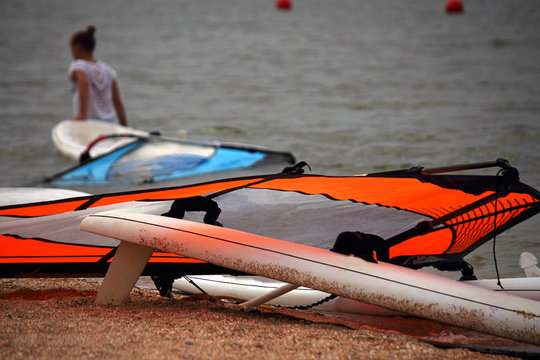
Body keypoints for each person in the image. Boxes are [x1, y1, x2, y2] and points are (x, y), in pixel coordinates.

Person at [69, 25, 127, 126]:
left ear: (77, 48)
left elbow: (84, 82)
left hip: (90, 124)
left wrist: (82, 116)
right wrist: (125, 126)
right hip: (110, 123)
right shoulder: (108, 70)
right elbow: (117, 102)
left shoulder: (78, 65)